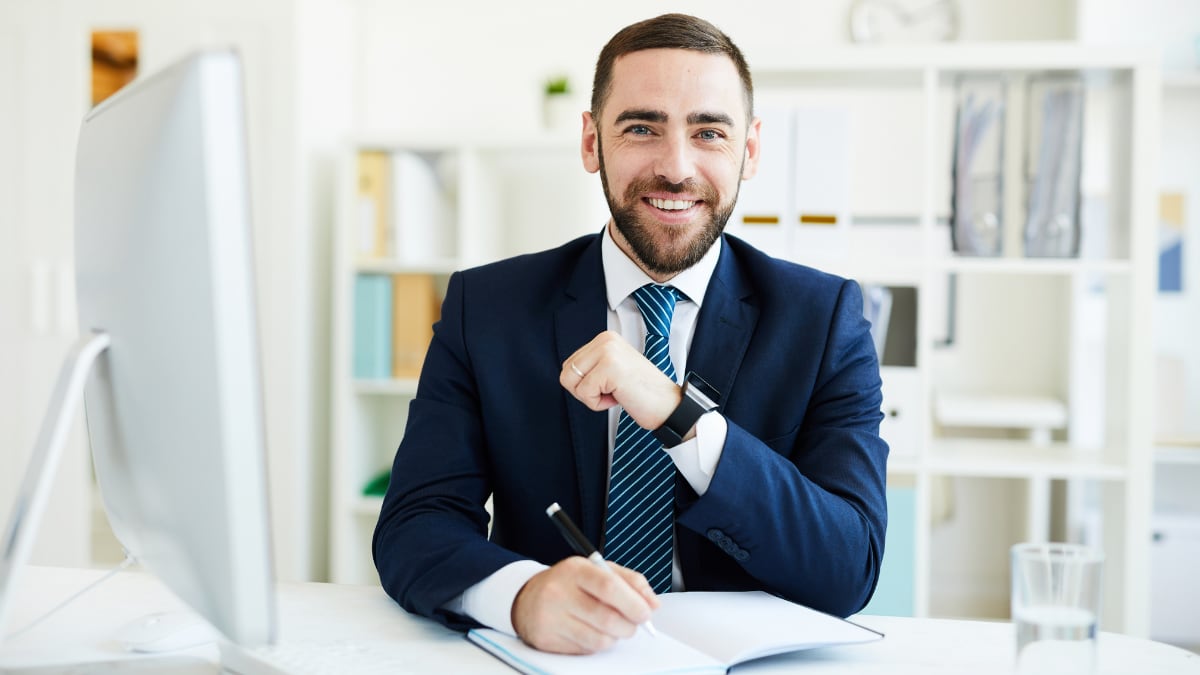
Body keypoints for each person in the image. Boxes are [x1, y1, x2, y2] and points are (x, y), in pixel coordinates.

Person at [373, 13, 888, 655]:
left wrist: (680, 417)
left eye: (709, 133)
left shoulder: (824, 318)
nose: (676, 168)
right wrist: (521, 596)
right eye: (641, 128)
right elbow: (414, 525)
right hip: (549, 661)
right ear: (591, 142)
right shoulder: (487, 308)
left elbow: (850, 567)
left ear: (749, 150)